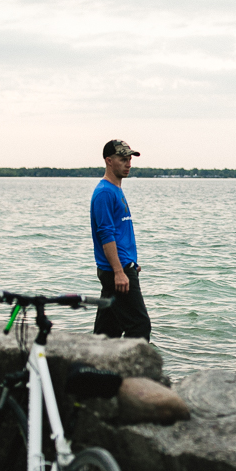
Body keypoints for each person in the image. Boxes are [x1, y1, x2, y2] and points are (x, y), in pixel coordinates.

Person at [91, 139, 151, 341]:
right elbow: (106, 235)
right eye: (123, 159)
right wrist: (120, 271)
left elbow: (120, 233)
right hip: (116, 271)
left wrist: (131, 262)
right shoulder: (105, 192)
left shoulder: (115, 189)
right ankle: (135, 372)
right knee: (139, 326)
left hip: (122, 266)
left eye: (129, 159)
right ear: (109, 160)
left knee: (107, 332)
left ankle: (96, 369)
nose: (128, 164)